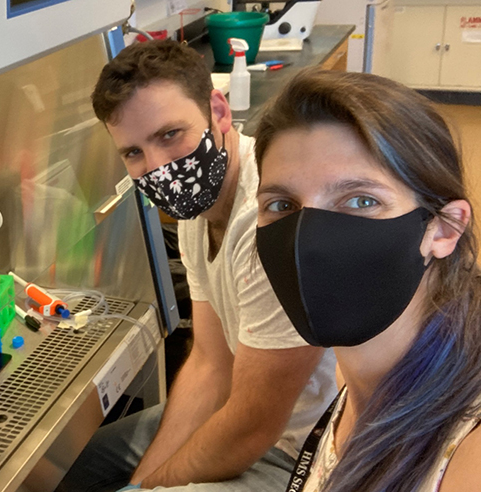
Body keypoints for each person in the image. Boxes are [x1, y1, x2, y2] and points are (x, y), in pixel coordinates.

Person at [57, 39, 337, 491]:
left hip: (296, 448)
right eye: (134, 153)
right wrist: (146, 482)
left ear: (218, 111)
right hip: (232, 411)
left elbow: (253, 427)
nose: (159, 167)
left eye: (170, 135)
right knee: (65, 470)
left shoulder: (273, 220)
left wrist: (148, 487)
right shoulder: (199, 209)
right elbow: (211, 362)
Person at [253, 69, 481, 491]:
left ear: (445, 229)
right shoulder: (353, 374)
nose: (310, 240)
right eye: (282, 204)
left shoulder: (470, 457)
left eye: (361, 201)